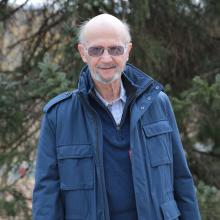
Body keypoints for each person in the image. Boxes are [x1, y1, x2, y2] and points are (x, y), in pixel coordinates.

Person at [32, 13, 201, 220]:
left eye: (115, 49)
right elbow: (46, 197)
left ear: (127, 51)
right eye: (96, 50)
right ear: (83, 53)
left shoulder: (158, 104)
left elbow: (181, 180)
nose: (106, 58)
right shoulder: (58, 116)